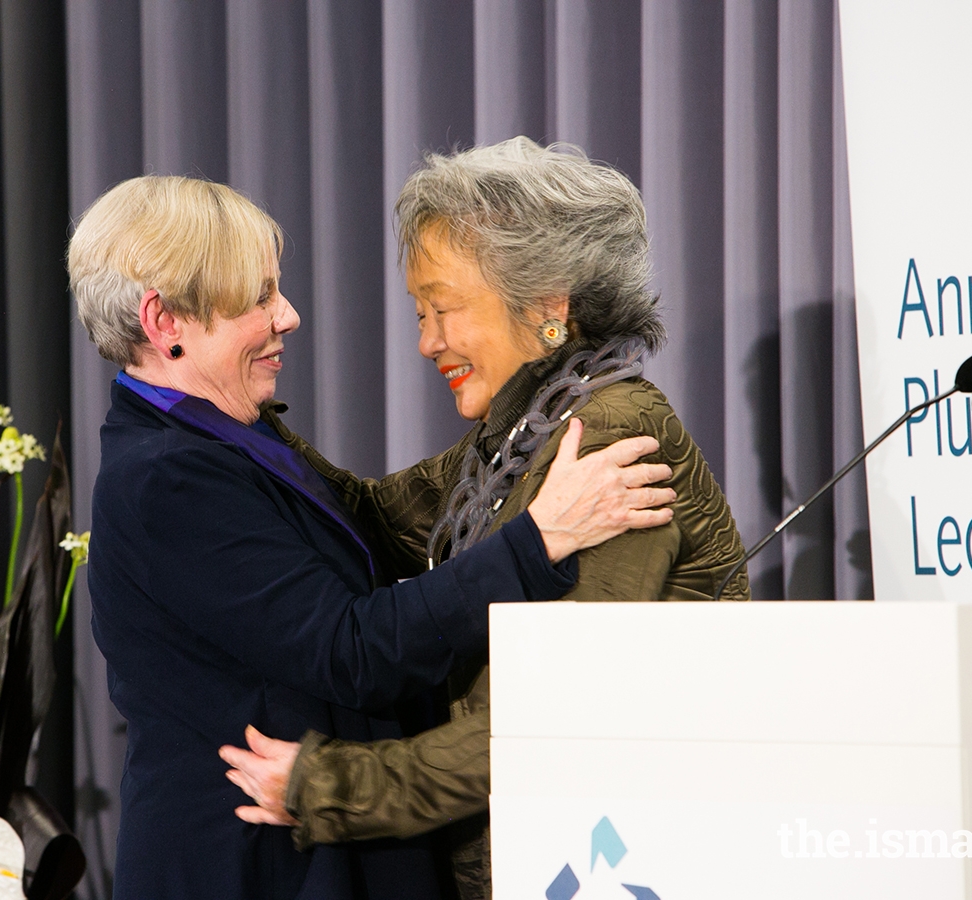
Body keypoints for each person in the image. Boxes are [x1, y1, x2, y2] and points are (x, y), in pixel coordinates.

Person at [68, 174, 676, 900]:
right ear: (165, 322)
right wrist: (540, 539)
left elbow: (385, 513)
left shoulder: (220, 437)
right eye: (259, 297)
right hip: (257, 866)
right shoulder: (167, 478)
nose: (288, 315)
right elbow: (353, 652)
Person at [219, 138, 751, 900]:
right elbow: (367, 517)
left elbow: (552, 719)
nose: (426, 341)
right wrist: (235, 409)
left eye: (442, 308)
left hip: (611, 862)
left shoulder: (607, 436)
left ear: (547, 306)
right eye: (418, 312)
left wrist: (326, 786)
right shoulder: (517, 436)